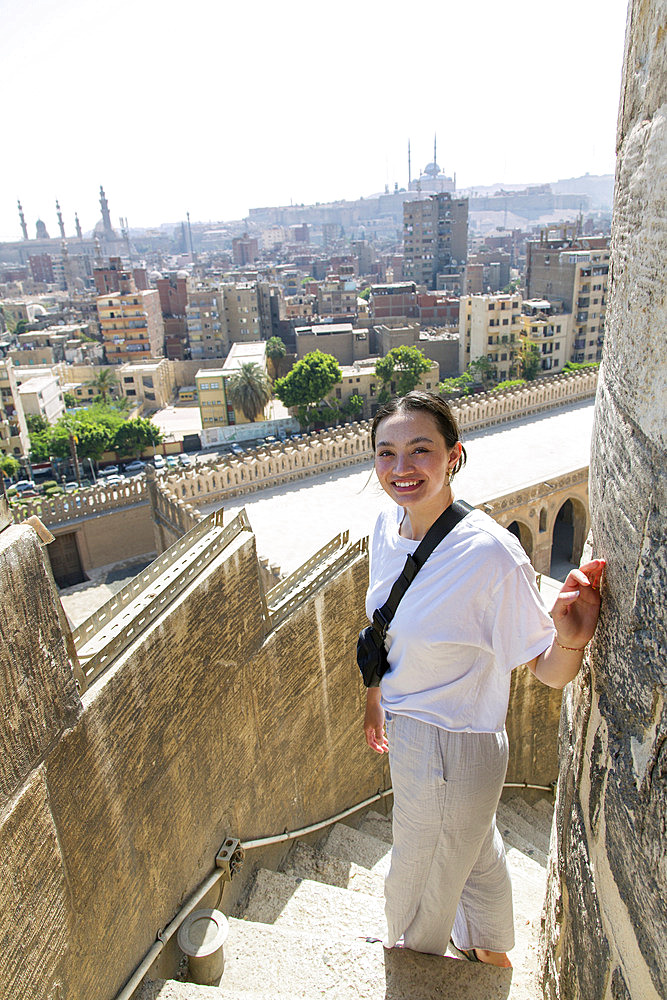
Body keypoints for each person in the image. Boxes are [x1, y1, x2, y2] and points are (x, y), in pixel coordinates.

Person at [363, 390, 604, 968]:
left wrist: (570, 632)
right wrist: (376, 696)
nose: (401, 469)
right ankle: (489, 947)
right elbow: (384, 628)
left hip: (452, 745)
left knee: (418, 873)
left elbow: (546, 671)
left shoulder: (491, 556)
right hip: (413, 730)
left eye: (420, 450)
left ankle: (413, 962)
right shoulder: (386, 524)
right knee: (471, 851)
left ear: (454, 456)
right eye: (386, 453)